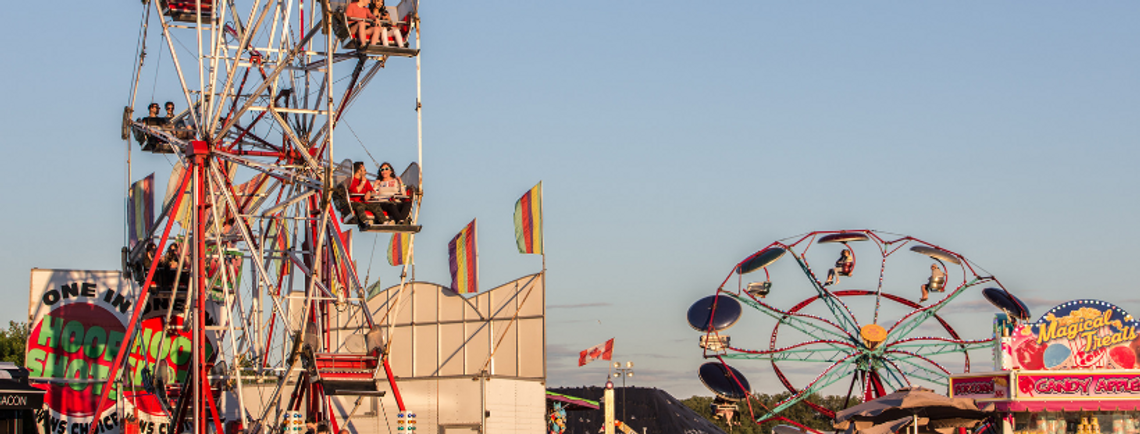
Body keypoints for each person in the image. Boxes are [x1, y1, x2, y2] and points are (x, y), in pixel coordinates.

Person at [345, 161, 389, 228]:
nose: (366, 172)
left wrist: (369, 192)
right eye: (364, 170)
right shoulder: (350, 180)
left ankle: (383, 221)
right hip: (355, 202)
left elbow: (372, 191)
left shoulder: (366, 181)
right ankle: (364, 222)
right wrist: (362, 182)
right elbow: (355, 191)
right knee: (359, 207)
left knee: (375, 206)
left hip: (365, 202)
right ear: (359, 171)